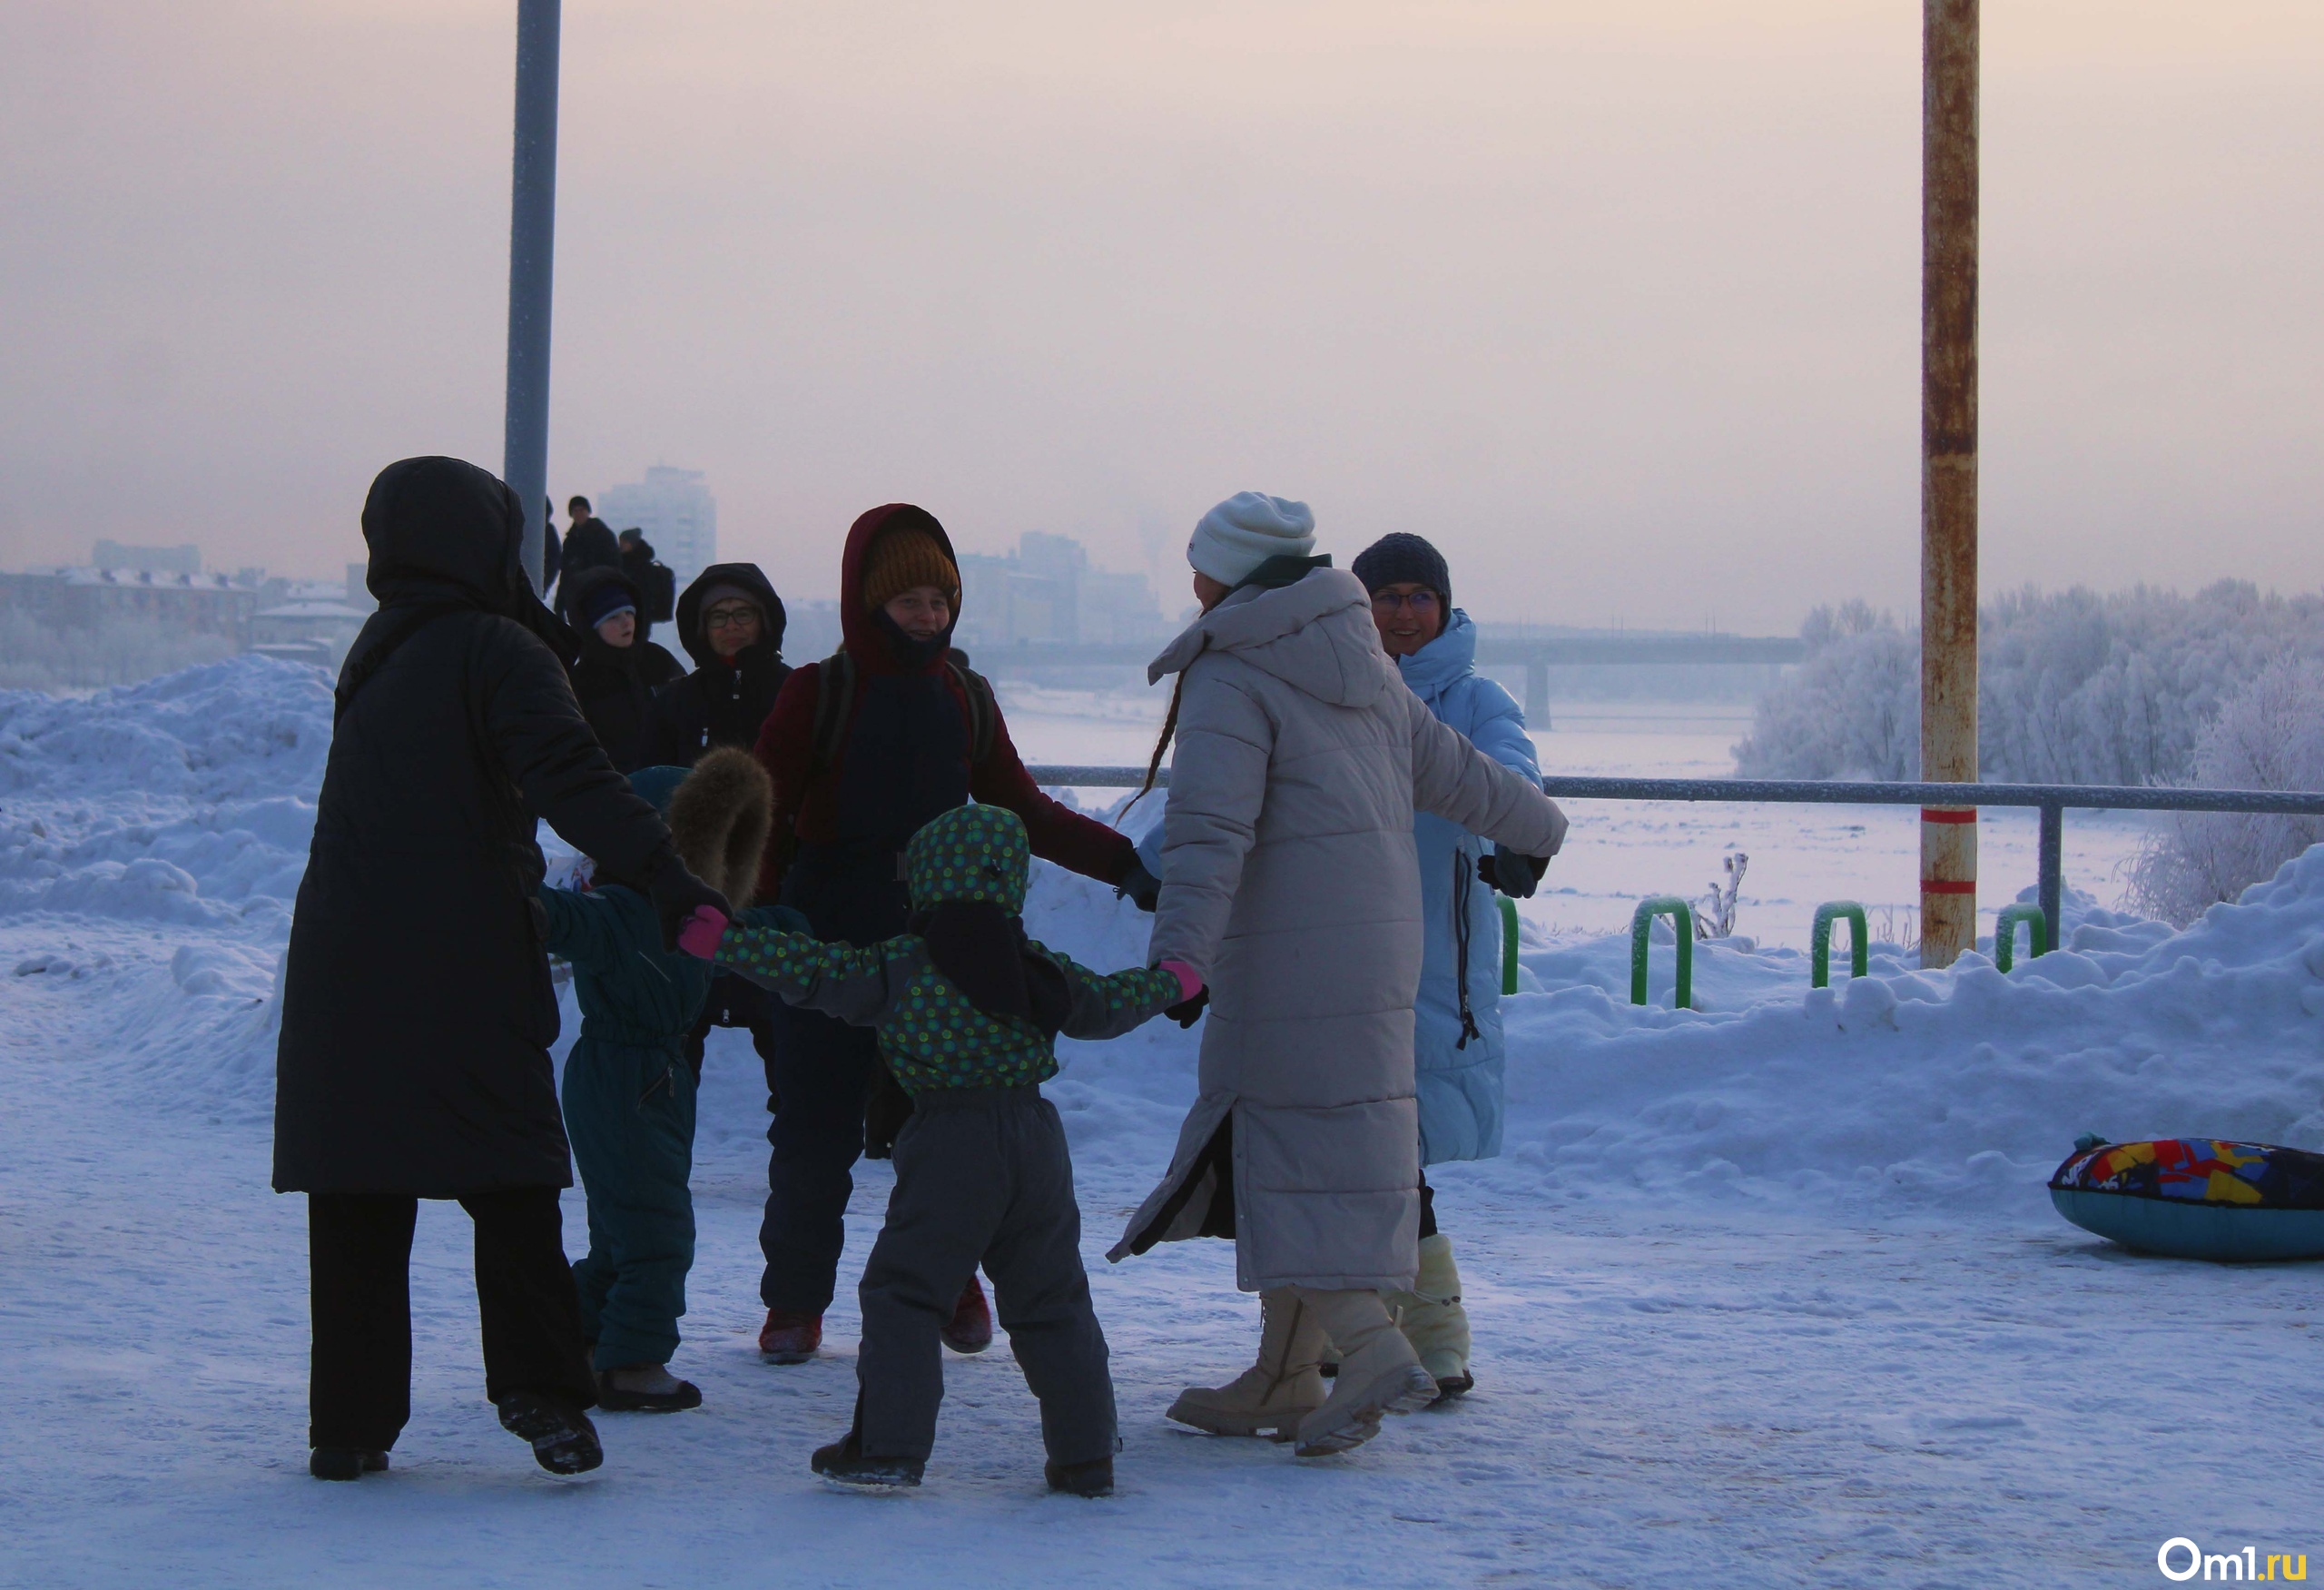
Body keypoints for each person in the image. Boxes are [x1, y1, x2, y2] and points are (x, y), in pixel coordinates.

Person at [272, 456, 727, 1483]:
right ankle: (541, 1389)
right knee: (510, 1173)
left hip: (347, 954)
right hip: (465, 944)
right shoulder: (499, 646)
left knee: (357, 1188)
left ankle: (348, 1425)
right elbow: (573, 778)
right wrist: (667, 874)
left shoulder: (376, 647)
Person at [1107, 491, 1566, 1458]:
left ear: (1219, 574)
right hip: (1376, 944)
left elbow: (1208, 831)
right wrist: (1541, 830)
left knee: (1284, 1148)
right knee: (1292, 1147)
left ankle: (1368, 1347)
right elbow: (1458, 771)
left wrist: (1182, 955)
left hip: (1285, 951)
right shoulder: (1356, 656)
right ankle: (1279, 1371)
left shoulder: (1234, 668)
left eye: (1196, 563)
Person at [676, 805, 1200, 1495]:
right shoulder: (1037, 965)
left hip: (951, 1141)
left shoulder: (904, 966)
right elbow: (1105, 1002)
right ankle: (1086, 1453)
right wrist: (1175, 981)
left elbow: (815, 968)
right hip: (1036, 1142)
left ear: (924, 879)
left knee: (904, 1293)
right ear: (1009, 879)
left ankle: (890, 1445)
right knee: (1053, 1299)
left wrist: (728, 942)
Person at [748, 503, 1158, 1367]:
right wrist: (753, 916)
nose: (927, 616)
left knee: (946, 1128)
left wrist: (1125, 864)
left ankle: (949, 1282)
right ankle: (795, 1300)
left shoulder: (964, 698)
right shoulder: (818, 691)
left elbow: (1024, 808)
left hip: (946, 945)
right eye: (909, 601)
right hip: (830, 935)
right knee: (815, 1129)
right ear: (868, 604)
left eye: (940, 599)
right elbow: (763, 811)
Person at [1348, 530, 1550, 1400]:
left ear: (1443, 606)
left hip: (1435, 956)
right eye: (1385, 596)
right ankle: (1376, 1329)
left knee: (1396, 1148)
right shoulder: (1328, 690)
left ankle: (1407, 1332)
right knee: (1357, 1146)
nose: (1401, 611)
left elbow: (1513, 773)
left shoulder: (1473, 699)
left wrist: (1521, 836)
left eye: (1416, 596)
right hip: (1336, 948)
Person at [541, 748, 783, 1413]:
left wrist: (819, 928)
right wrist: (509, 879)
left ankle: (571, 1341)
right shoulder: (617, 911)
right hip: (621, 1076)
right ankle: (633, 1361)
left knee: (622, 1233)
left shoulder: (694, 916)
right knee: (656, 1231)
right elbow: (555, 919)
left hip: (658, 1077)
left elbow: (761, 932)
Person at [643, 563, 796, 1160]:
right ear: (698, 628)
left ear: (765, 621)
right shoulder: (677, 702)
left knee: (789, 1042)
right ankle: (661, 1160)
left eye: (743, 614)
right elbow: (646, 789)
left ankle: (797, 1168)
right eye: (718, 617)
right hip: (692, 894)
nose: (731, 627)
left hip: (775, 893)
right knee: (677, 1038)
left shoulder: (796, 693)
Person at [566, 567, 684, 773]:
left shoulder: (658, 661)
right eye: (613, 617)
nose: (626, 622)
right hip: (611, 790)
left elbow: (687, 716)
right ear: (592, 627)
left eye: (629, 612)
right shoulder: (580, 682)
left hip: (670, 782)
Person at [556, 496, 621, 619]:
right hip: (577, 595)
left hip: (598, 593)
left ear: (588, 511)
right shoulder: (570, 540)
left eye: (581, 510)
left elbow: (615, 565)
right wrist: (560, 601)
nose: (579, 514)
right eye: (575, 511)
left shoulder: (603, 535)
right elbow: (565, 572)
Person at [617, 528, 677, 627]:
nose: (620, 545)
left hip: (637, 615)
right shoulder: (631, 563)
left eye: (624, 542)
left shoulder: (640, 568)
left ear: (631, 544)